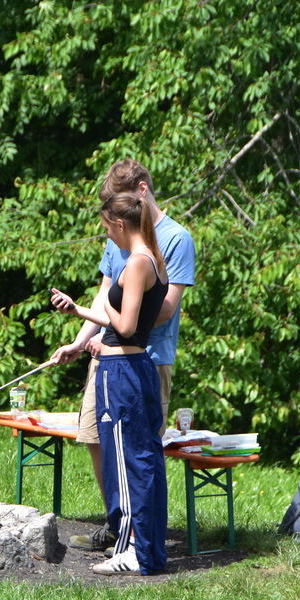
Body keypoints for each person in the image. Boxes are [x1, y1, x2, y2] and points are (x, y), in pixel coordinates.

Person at [50, 159, 195, 553]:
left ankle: (141, 536)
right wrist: (83, 341)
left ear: (142, 191)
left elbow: (160, 309)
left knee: (138, 448)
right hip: (107, 355)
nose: (113, 225)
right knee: (97, 438)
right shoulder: (120, 237)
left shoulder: (174, 239)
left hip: (144, 359)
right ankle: (118, 525)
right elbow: (106, 294)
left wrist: (117, 328)